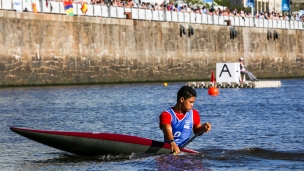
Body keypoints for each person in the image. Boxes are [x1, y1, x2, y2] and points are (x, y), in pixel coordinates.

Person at [159, 86, 212, 154]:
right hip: (169, 149)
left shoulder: (194, 113)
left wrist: (203, 128)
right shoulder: (166, 114)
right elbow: (167, 130)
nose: (192, 105)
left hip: (183, 150)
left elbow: (196, 131)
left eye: (193, 102)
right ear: (182, 99)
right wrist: (172, 142)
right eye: (190, 102)